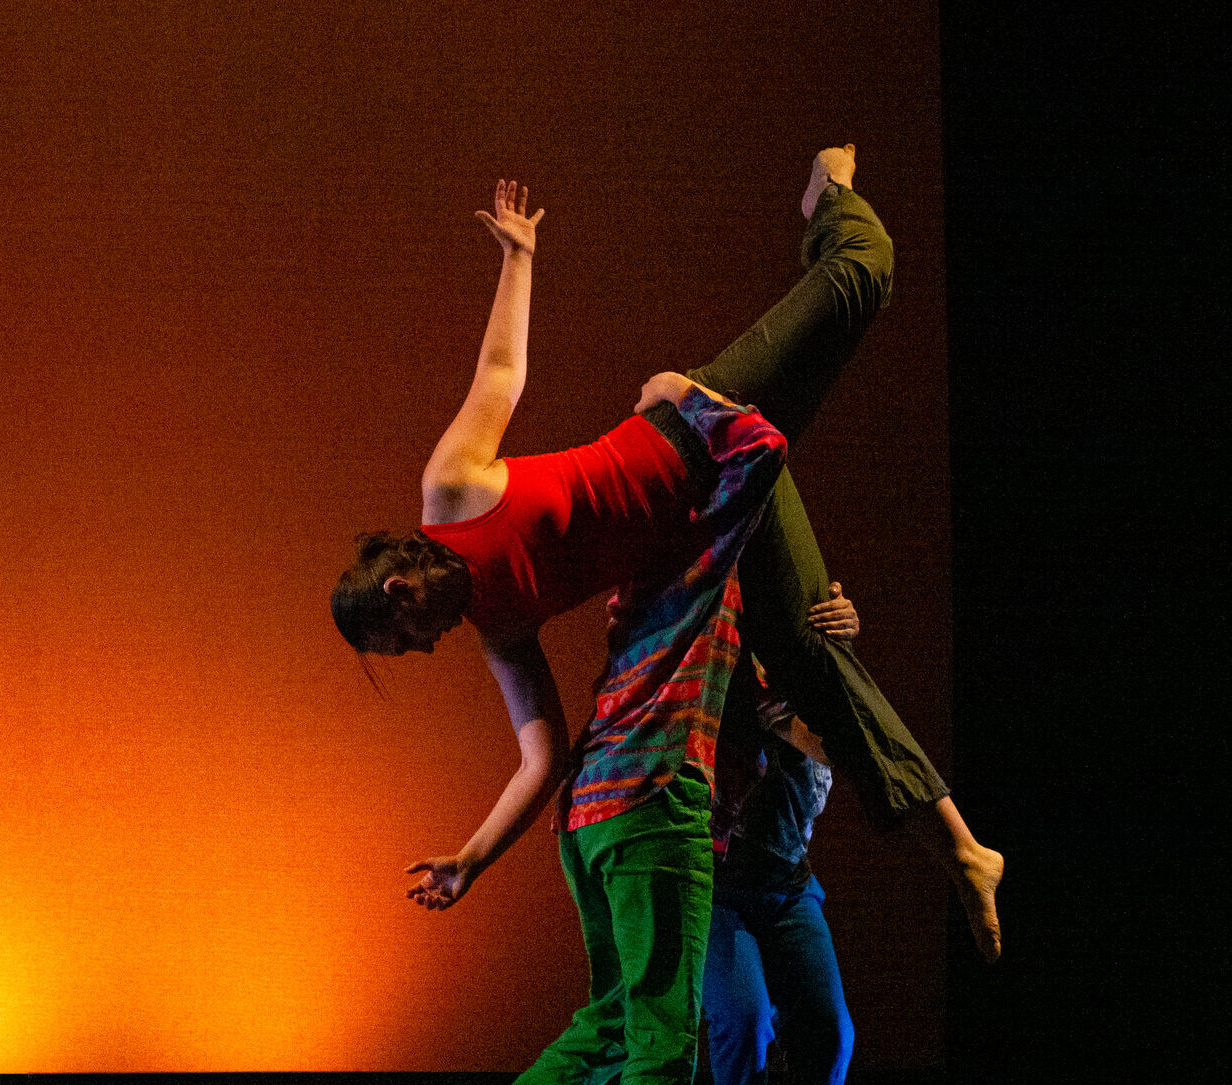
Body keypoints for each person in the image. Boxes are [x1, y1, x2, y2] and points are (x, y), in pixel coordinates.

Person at [331, 147, 1003, 962]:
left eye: (404, 639)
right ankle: (963, 847)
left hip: (700, 424)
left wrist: (518, 257)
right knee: (807, 657)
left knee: (866, 271)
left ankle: (830, 195)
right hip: (716, 523)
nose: (424, 648)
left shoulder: (449, 489)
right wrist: (471, 859)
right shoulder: (499, 629)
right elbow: (540, 758)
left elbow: (501, 373)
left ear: (398, 589)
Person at [705, 588, 860, 1085]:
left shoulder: (816, 693)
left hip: (790, 887)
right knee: (744, 1018)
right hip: (720, 891)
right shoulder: (733, 683)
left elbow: (845, 746)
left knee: (828, 1025)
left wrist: (846, 631)